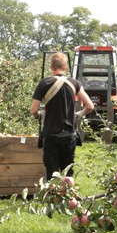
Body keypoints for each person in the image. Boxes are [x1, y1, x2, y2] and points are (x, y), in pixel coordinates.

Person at [30, 52, 95, 180]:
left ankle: (54, 198)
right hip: (69, 135)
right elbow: (90, 106)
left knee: (52, 174)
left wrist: (38, 116)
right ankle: (70, 198)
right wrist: (79, 115)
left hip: (51, 135)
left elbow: (33, 109)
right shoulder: (74, 83)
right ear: (65, 67)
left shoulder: (44, 83)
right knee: (68, 173)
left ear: (52, 66)